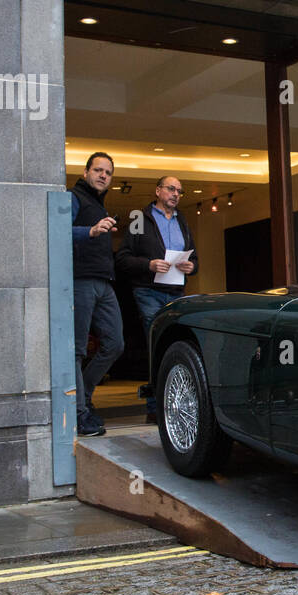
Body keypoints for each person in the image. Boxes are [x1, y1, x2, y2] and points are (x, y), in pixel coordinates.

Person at [116, 176, 198, 421]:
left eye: (180, 191)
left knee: (174, 344)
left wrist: (191, 267)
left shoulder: (182, 219)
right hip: (148, 291)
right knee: (157, 344)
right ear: (158, 190)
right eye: (171, 189)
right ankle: (155, 409)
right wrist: (149, 264)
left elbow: (196, 260)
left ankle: (173, 406)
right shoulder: (139, 218)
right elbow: (123, 258)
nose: (176, 194)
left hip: (176, 293)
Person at [70, 152, 124, 437]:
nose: (103, 175)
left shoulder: (99, 204)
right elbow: (56, 230)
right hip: (80, 282)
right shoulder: (74, 197)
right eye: (98, 170)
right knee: (77, 351)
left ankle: (85, 396)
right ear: (86, 171)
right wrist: (90, 231)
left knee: (115, 344)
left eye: (108, 172)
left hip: (104, 283)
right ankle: (79, 415)